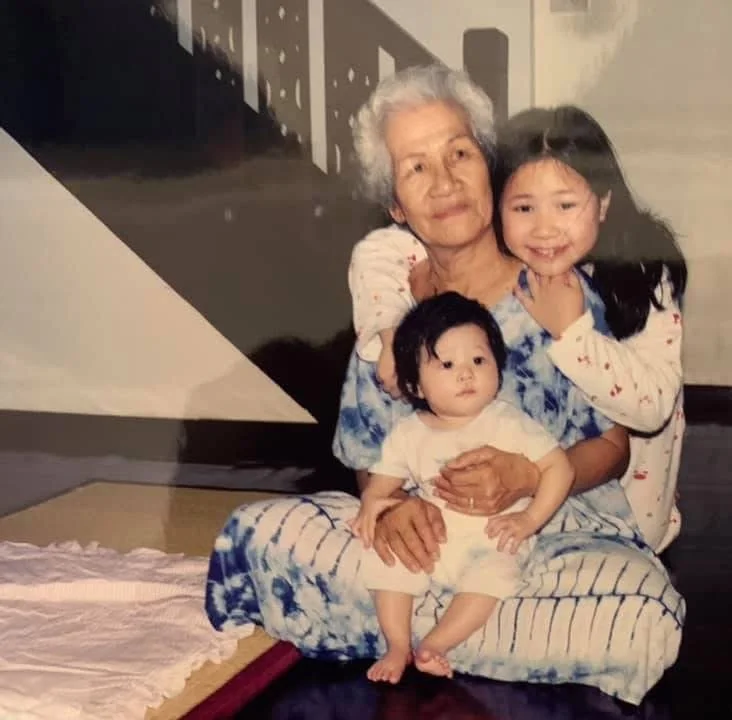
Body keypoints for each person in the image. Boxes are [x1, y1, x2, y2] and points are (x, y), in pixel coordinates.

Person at [205, 64, 684, 706]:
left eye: (459, 153)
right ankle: (475, 632)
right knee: (257, 534)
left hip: (548, 531)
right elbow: (371, 458)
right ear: (398, 206)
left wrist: (524, 477)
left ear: (489, 168)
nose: (445, 181)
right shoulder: (395, 317)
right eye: (416, 167)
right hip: (428, 543)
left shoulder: (557, 294)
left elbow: (612, 447)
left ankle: (400, 627)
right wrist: (392, 506)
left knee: (645, 613)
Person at [350, 105, 688, 553]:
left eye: (565, 205)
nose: (545, 229)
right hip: (519, 506)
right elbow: (378, 253)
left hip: (628, 506)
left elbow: (651, 410)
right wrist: (390, 323)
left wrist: (573, 333)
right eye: (524, 207)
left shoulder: (642, 273)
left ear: (603, 202)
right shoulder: (510, 258)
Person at [351, 291, 575, 682]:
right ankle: (397, 645)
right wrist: (373, 501)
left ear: (498, 368)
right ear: (416, 386)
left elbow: (560, 468)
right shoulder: (409, 432)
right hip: (432, 539)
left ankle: (435, 644)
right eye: (447, 364)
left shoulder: (507, 422)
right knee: (385, 561)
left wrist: (529, 520)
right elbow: (384, 478)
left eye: (478, 360)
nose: (466, 373)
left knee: (492, 578)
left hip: (491, 539)